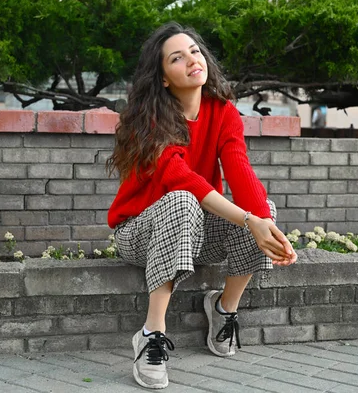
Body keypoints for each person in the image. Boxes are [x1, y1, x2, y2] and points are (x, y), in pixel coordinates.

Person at [106, 22, 297, 390]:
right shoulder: (150, 120)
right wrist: (247, 219)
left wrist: (267, 229)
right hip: (137, 233)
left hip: (194, 231)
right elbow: (185, 182)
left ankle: (223, 309)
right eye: (177, 58)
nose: (192, 60)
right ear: (163, 77)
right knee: (182, 200)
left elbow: (240, 170)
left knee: (263, 210)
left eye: (194, 51)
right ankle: (151, 334)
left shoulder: (222, 111)